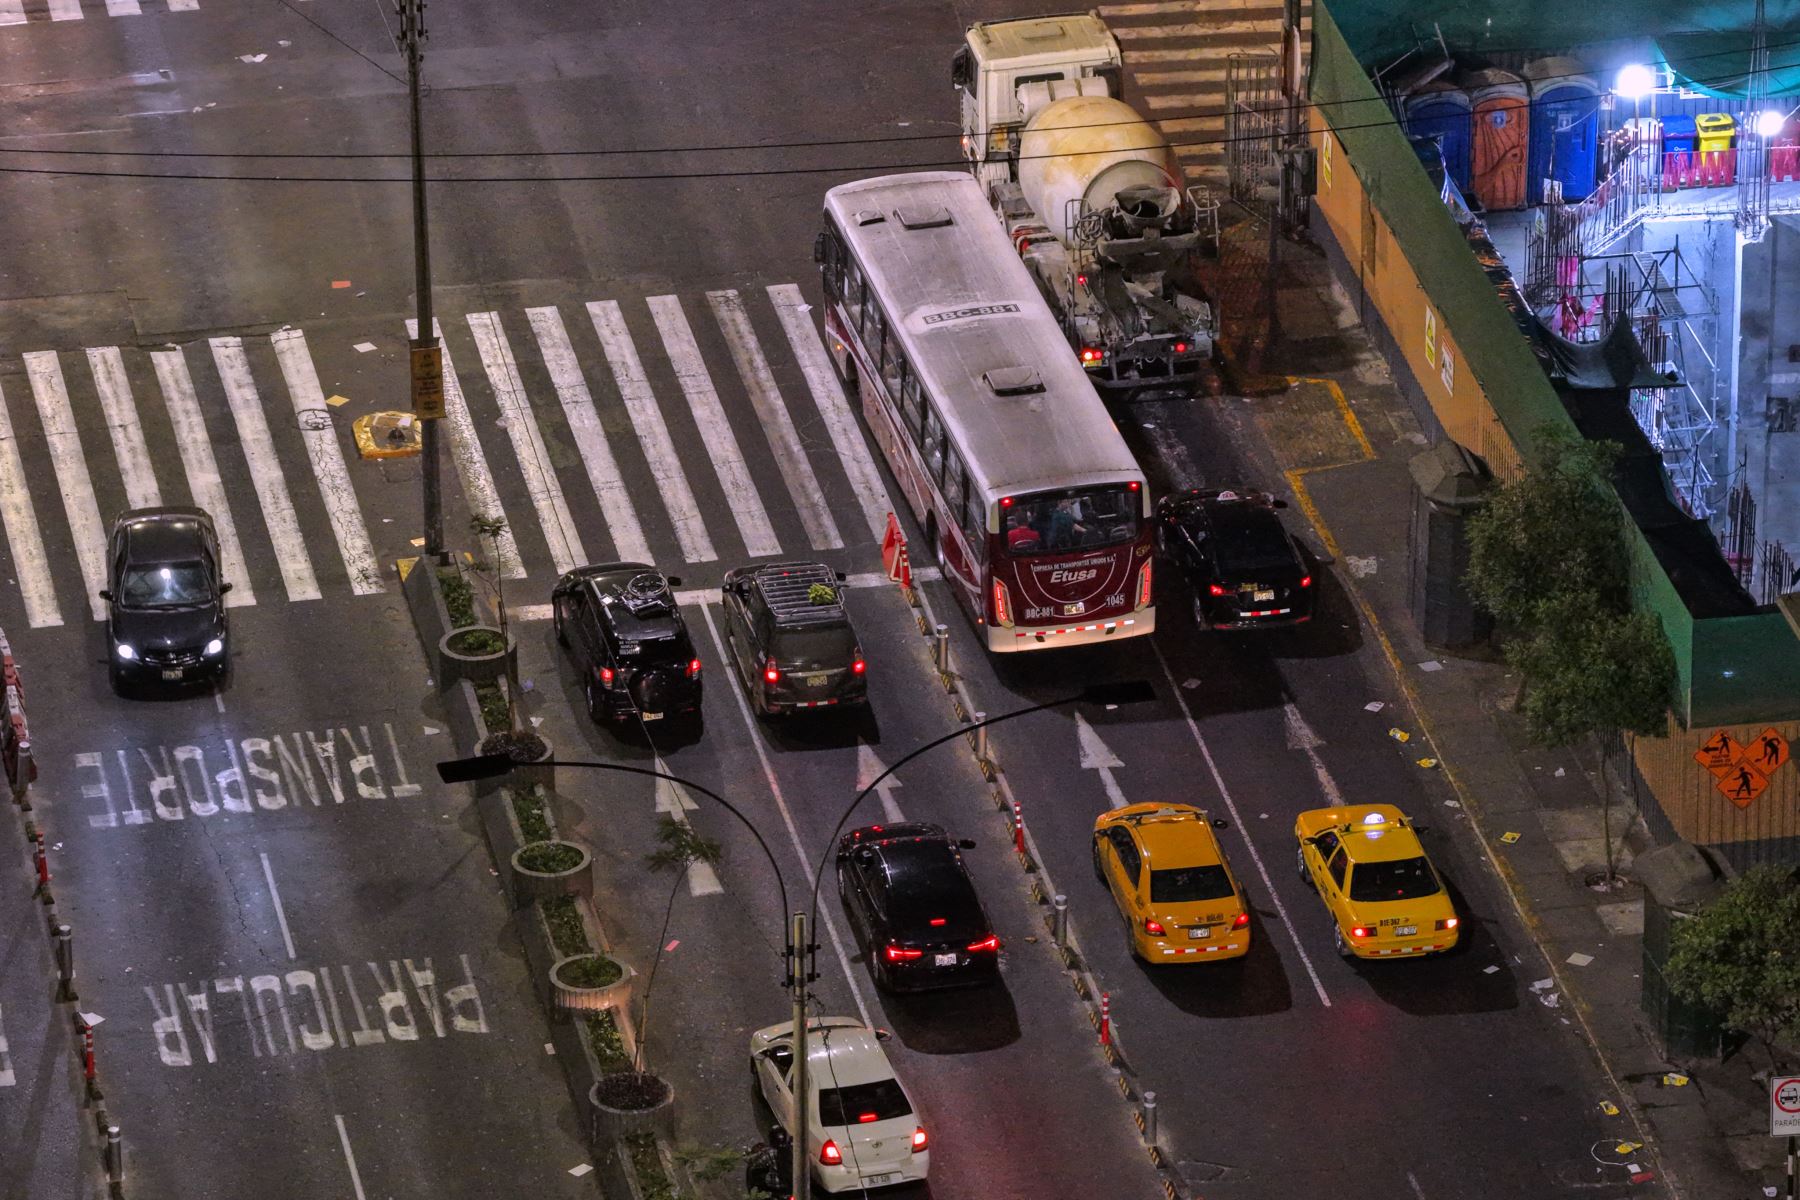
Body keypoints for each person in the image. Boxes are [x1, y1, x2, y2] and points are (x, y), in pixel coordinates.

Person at [745, 1125, 793, 1199]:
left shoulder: (770, 1152)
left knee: (755, 1173)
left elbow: (756, 1162)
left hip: (775, 1186)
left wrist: (747, 1157)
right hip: (792, 1185)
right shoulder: (792, 1150)